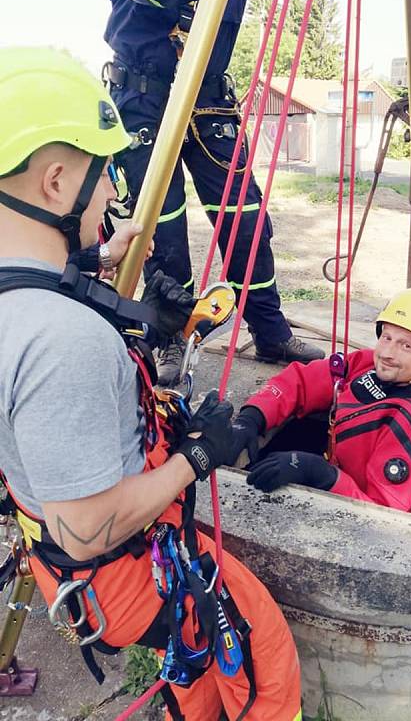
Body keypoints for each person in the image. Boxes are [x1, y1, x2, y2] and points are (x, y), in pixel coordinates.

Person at [0, 47, 301, 721]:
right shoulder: (60, 341)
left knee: (195, 667)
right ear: (54, 183)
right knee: (262, 650)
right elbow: (86, 528)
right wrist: (198, 457)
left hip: (58, 559)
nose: (113, 194)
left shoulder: (21, 296)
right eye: (103, 172)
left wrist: (114, 291)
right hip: (112, 572)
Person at [92, 0, 406, 385]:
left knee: (247, 222)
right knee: (163, 230)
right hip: (143, 97)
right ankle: (170, 334)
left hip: (209, 98)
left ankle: (269, 330)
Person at [231, 288, 411, 512]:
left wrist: (321, 475)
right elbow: (304, 380)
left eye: (406, 345)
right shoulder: (366, 365)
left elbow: (384, 516)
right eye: (387, 337)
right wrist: (253, 416)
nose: (388, 353)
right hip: (336, 468)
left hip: (348, 499)